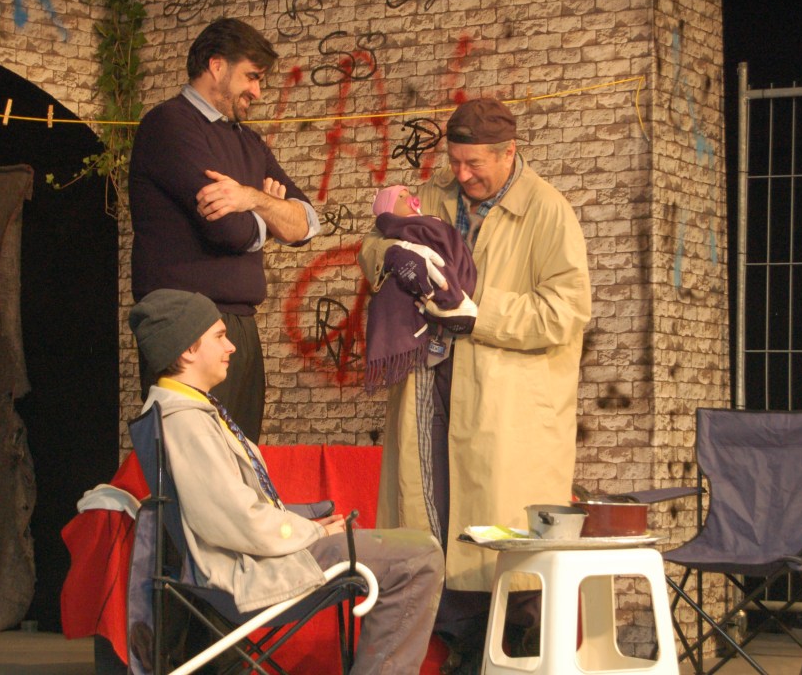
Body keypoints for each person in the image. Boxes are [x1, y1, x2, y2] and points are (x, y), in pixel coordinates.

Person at [358, 98, 592, 671]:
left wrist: (476, 311)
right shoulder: (432, 194)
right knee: (433, 523)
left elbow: (564, 313)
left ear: (509, 153)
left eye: (474, 164)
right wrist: (395, 255)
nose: (461, 175)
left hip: (505, 406)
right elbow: (374, 244)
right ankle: (462, 652)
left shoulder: (547, 210)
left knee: (501, 537)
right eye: (454, 161)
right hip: (429, 391)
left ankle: (516, 655)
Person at [129, 288, 444, 674]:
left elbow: (231, 510)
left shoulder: (187, 412)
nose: (231, 346)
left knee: (403, 549)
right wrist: (313, 532)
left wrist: (306, 523)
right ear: (187, 351)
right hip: (250, 571)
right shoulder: (186, 422)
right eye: (219, 336)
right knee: (420, 556)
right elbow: (237, 519)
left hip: (256, 558)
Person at [129, 17, 321, 442]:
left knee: (241, 459)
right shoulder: (169, 125)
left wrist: (252, 198)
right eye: (251, 76)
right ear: (216, 66)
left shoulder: (249, 143)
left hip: (239, 324)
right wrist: (273, 214)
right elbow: (228, 232)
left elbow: (307, 223)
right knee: (193, 461)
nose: (258, 91)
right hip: (186, 326)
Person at [363, 185, 477, 392]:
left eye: (407, 194)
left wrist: (483, 319)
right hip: (427, 343)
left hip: (479, 351)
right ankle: (449, 296)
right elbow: (369, 247)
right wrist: (397, 251)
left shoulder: (536, 201)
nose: (410, 198)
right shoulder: (430, 192)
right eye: (401, 196)